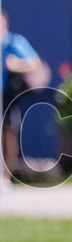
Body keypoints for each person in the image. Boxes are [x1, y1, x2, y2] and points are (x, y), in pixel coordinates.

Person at [1, 10, 47, 190]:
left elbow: (35, 63)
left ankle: (5, 177)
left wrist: (16, 64)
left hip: (7, 95)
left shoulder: (14, 42)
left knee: (8, 133)